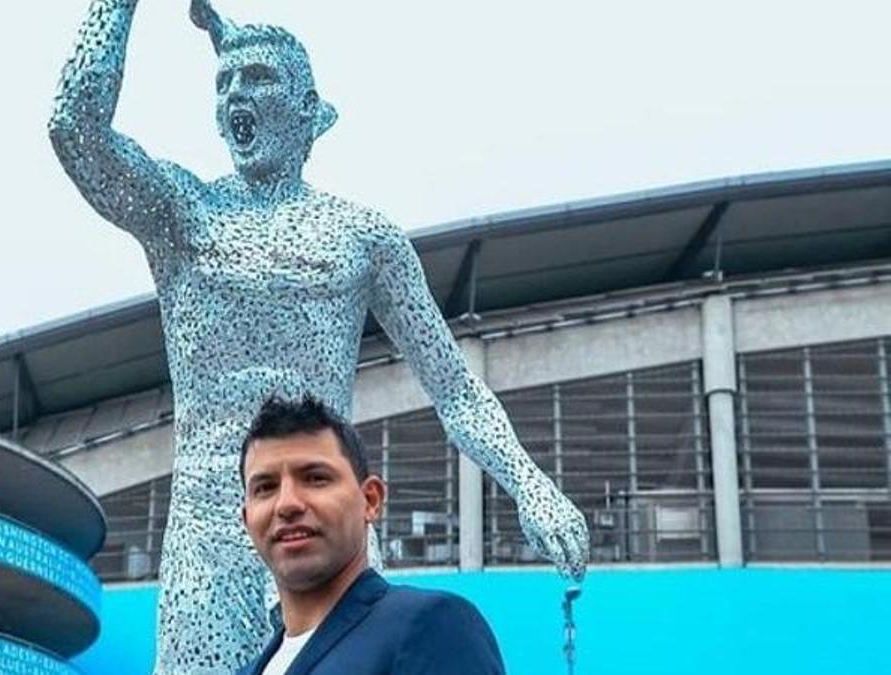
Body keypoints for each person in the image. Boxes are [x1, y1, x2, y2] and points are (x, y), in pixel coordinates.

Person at [49, 1, 587, 671]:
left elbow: (454, 389)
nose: (236, 95)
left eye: (258, 78)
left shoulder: (363, 239)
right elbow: (75, 128)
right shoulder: (184, 216)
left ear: (310, 111)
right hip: (208, 542)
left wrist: (531, 485)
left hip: (329, 530)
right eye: (224, 84)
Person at [238, 396, 506, 675]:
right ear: (246, 520)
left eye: (315, 478)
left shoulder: (431, 626)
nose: (287, 504)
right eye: (265, 487)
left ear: (370, 500)